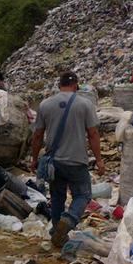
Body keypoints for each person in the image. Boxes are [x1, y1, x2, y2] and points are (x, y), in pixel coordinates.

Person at [30, 71, 105, 248]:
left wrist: (34, 159)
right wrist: (99, 160)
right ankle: (68, 221)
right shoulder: (85, 104)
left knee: (57, 197)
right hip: (77, 161)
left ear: (59, 85)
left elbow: (38, 135)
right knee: (83, 194)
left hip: (53, 163)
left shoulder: (45, 104)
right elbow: (93, 134)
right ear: (76, 85)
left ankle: (57, 233)